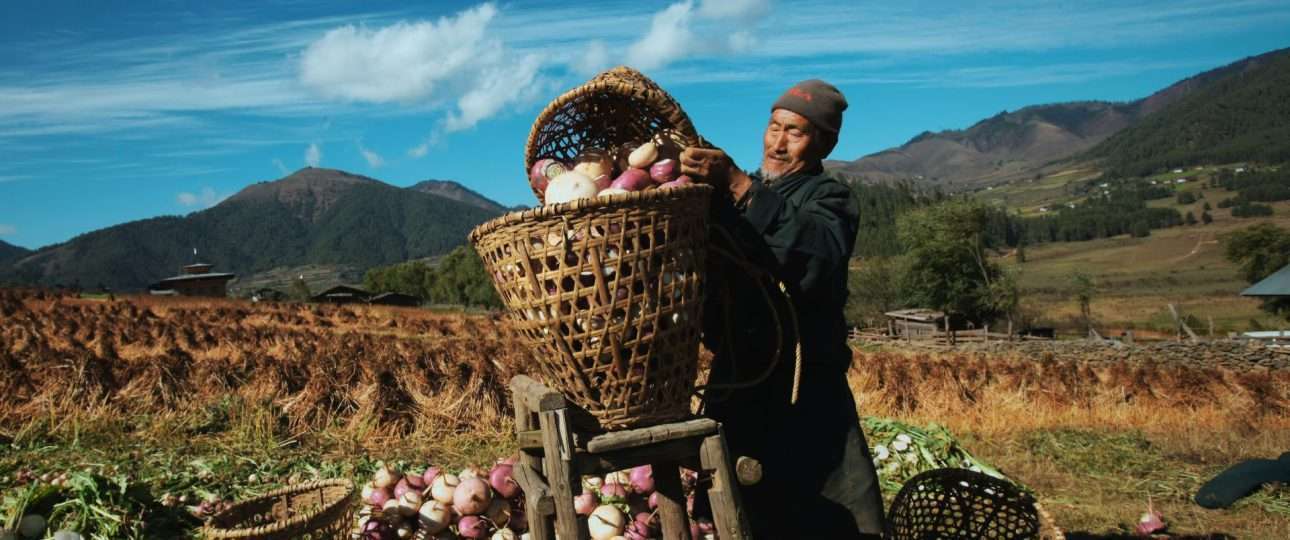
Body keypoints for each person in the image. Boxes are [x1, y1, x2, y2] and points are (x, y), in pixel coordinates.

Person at [680, 79, 884, 538]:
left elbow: (817, 254)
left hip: (805, 394)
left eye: (796, 132)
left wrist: (736, 183)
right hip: (738, 385)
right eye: (774, 127)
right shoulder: (732, 203)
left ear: (825, 143)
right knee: (738, 518)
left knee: (828, 521)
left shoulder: (829, 199)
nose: (778, 142)